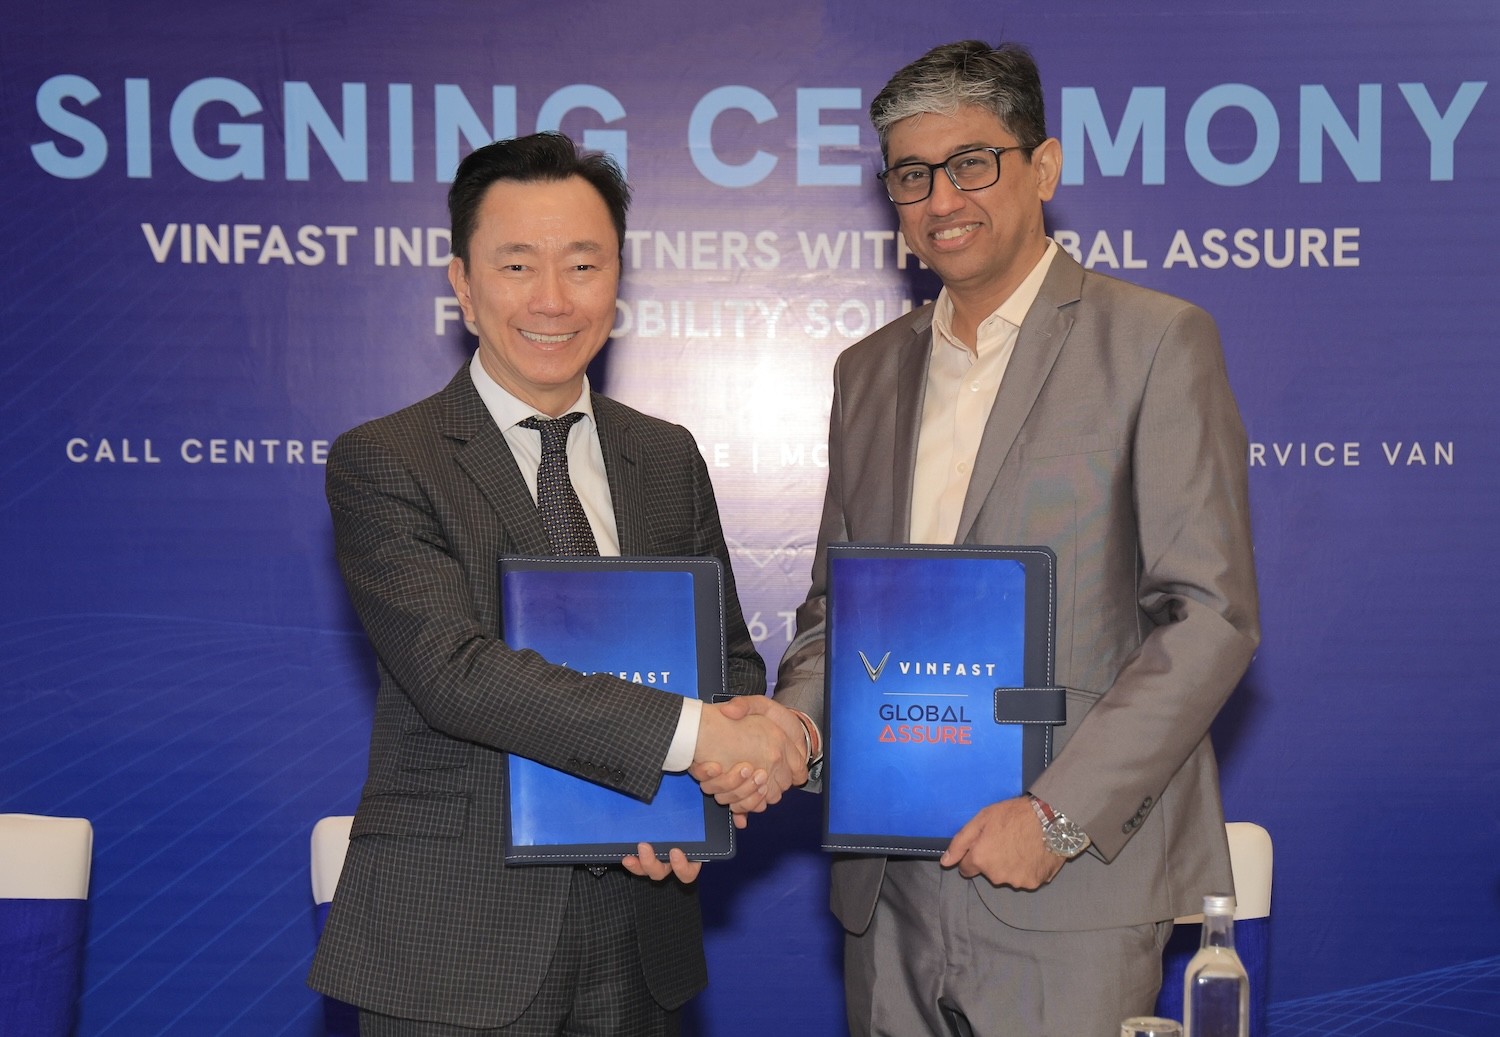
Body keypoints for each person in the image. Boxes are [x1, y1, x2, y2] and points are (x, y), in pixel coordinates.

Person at [749, 40, 1260, 1036]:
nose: (941, 198)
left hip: (1068, 883)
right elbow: (836, 610)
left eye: (972, 162)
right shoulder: (867, 371)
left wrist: (1056, 817)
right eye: (911, 174)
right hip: (888, 886)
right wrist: (791, 733)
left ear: (1045, 167)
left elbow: (1209, 616)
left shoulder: (1155, 340)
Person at [308, 131, 807, 1036]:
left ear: (617, 280)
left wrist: (705, 789)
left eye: (583, 264)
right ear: (463, 285)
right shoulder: (387, 459)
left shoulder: (664, 456)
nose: (552, 298)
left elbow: (724, 658)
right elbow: (456, 672)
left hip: (642, 928)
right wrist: (698, 738)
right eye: (516, 265)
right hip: (458, 943)